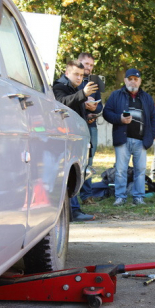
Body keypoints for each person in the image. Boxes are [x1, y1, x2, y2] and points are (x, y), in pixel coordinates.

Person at [103, 68, 155, 206]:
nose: (133, 82)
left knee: (140, 171)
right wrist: (119, 119)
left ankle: (138, 197)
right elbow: (106, 113)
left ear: (140, 81)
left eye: (136, 79)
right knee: (120, 170)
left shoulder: (146, 97)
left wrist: (150, 137)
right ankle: (120, 197)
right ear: (125, 80)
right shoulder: (116, 95)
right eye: (130, 79)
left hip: (141, 140)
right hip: (122, 139)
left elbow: (153, 117)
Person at [52, 61, 98, 222]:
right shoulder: (58, 86)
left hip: (73, 136)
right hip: (64, 137)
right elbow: (61, 103)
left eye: (82, 75)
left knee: (74, 173)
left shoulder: (74, 89)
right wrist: (83, 94)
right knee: (69, 174)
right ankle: (72, 211)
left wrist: (88, 115)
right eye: (76, 74)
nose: (80, 78)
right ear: (66, 73)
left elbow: (73, 107)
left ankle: (73, 210)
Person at [77, 53, 103, 206]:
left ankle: (87, 196)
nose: (88, 67)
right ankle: (73, 196)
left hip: (91, 125)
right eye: (86, 64)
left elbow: (100, 104)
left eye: (91, 65)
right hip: (76, 124)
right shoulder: (73, 81)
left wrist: (94, 109)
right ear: (78, 62)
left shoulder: (94, 82)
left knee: (89, 161)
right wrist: (84, 103)